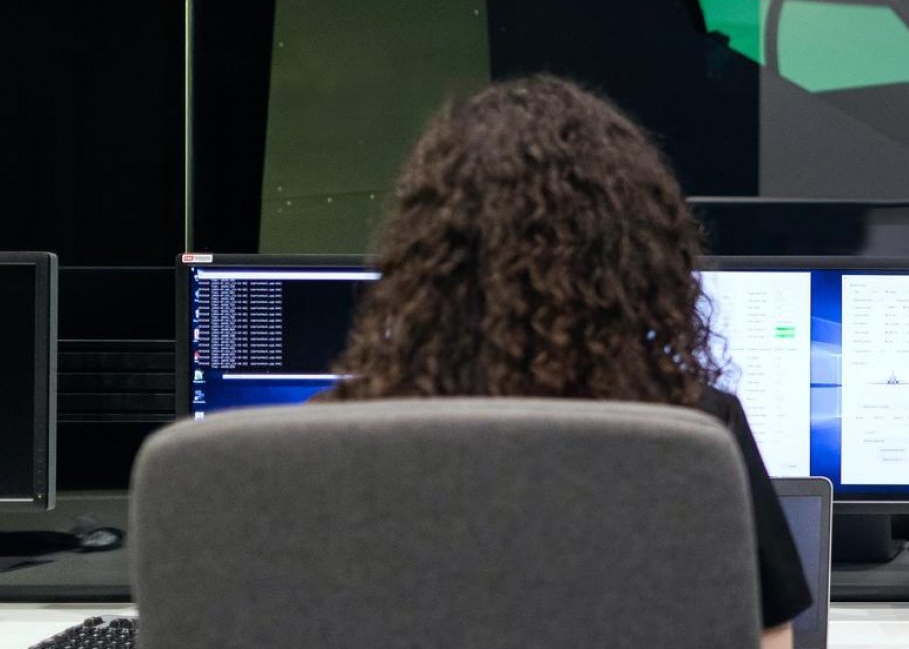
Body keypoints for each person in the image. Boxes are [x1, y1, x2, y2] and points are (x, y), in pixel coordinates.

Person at [319, 74, 811, 648]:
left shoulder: (331, 438)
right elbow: (767, 637)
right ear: (633, 257)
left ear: (427, 257)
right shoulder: (693, 429)